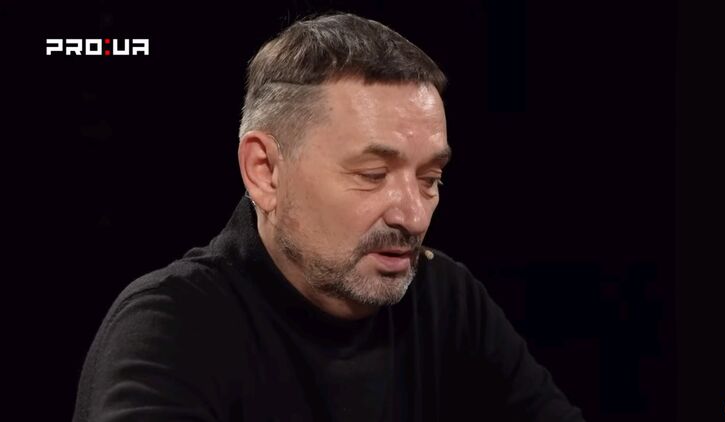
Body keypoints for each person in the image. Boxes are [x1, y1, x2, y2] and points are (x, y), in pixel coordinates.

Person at [73, 12, 585, 422]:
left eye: (430, 179)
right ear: (265, 172)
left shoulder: (447, 300)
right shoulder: (169, 329)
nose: (413, 216)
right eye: (372, 174)